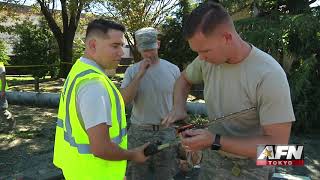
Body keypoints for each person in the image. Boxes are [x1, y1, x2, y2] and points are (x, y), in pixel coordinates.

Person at [162, 2, 295, 180]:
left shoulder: (269, 75)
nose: (201, 58)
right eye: (198, 52)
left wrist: (215, 141)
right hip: (212, 159)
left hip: (252, 167)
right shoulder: (206, 60)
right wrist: (178, 107)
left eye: (205, 50)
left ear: (227, 37)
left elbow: (279, 150)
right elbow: (183, 79)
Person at [53, 19, 148, 180]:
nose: (121, 53)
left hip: (80, 171)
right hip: (96, 174)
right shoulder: (94, 85)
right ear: (93, 45)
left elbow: (118, 102)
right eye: (115, 46)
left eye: (122, 46)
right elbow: (101, 148)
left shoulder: (79, 70)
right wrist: (133, 154)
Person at [120, 27, 180, 180]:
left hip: (166, 131)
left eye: (151, 49)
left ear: (158, 44)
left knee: (166, 174)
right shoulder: (132, 71)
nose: (148, 54)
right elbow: (124, 100)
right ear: (139, 50)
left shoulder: (173, 70)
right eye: (144, 50)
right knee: (137, 175)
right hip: (140, 131)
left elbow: (179, 103)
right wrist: (140, 74)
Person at [0, 62, 15, 133]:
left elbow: (3, 79)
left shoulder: (0, 66)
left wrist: (2, 91)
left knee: (2, 110)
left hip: (0, 91)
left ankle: (11, 125)